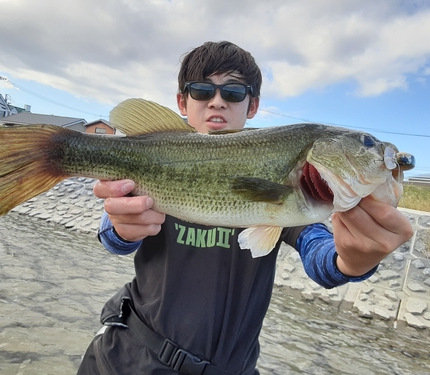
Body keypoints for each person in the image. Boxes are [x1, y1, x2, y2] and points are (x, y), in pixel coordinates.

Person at [77, 41, 413, 374]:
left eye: (234, 93)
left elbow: (320, 255)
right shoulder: (156, 155)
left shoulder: (300, 194)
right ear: (182, 101)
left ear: (252, 106)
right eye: (202, 91)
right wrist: (120, 228)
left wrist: (352, 261)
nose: (218, 102)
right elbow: (113, 236)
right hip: (127, 357)